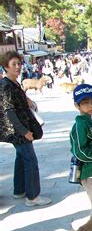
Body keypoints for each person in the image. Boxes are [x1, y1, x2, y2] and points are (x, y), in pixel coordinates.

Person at [0, 51, 51, 207]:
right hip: (17, 131)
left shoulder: (13, 83)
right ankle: (33, 196)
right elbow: (9, 112)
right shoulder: (7, 85)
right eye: (13, 64)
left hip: (19, 129)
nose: (17, 67)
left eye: (19, 63)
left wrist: (28, 100)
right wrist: (24, 131)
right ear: (5, 67)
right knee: (30, 160)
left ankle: (19, 189)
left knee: (21, 158)